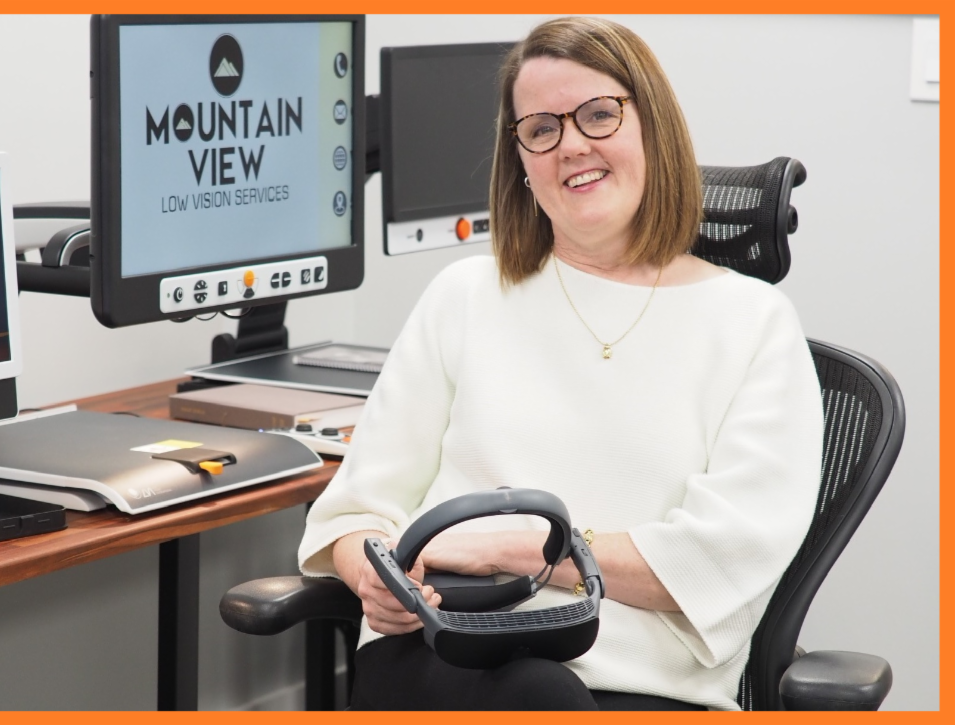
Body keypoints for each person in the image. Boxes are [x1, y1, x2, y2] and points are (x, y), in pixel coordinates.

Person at [298, 17, 824, 711]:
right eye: (541, 129)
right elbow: (358, 511)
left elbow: (720, 557)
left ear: (652, 127)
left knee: (544, 693)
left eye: (599, 115)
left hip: (642, 683)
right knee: (535, 692)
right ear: (519, 157)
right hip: (443, 653)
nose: (571, 144)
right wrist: (372, 578)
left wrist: (524, 550)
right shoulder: (464, 295)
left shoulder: (754, 325)